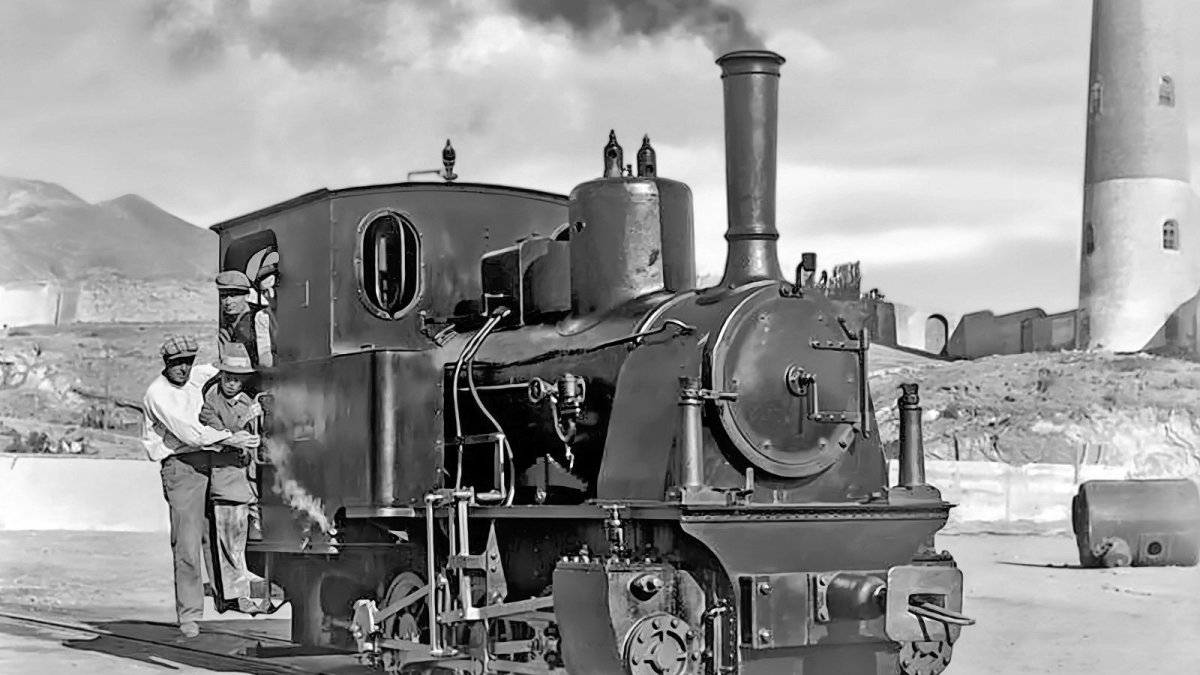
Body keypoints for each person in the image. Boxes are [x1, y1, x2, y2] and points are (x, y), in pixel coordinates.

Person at [141, 334, 259, 638]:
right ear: (166, 364)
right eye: (177, 364)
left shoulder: (200, 375)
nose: (183, 368)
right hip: (182, 467)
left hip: (212, 460)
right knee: (187, 541)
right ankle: (190, 614)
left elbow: (225, 371)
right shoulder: (158, 394)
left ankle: (227, 597)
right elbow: (190, 432)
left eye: (187, 362)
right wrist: (231, 438)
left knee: (220, 533)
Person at [199, 343, 267, 613]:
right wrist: (242, 430)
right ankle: (236, 596)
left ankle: (245, 589)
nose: (232, 383)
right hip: (228, 483)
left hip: (249, 482)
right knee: (230, 543)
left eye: (237, 379)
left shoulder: (248, 401)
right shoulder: (210, 405)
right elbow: (217, 436)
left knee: (243, 540)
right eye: (228, 378)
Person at [216, 270, 276, 369]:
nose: (228, 302)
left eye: (234, 295)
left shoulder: (253, 321)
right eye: (224, 296)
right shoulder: (228, 324)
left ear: (247, 295)